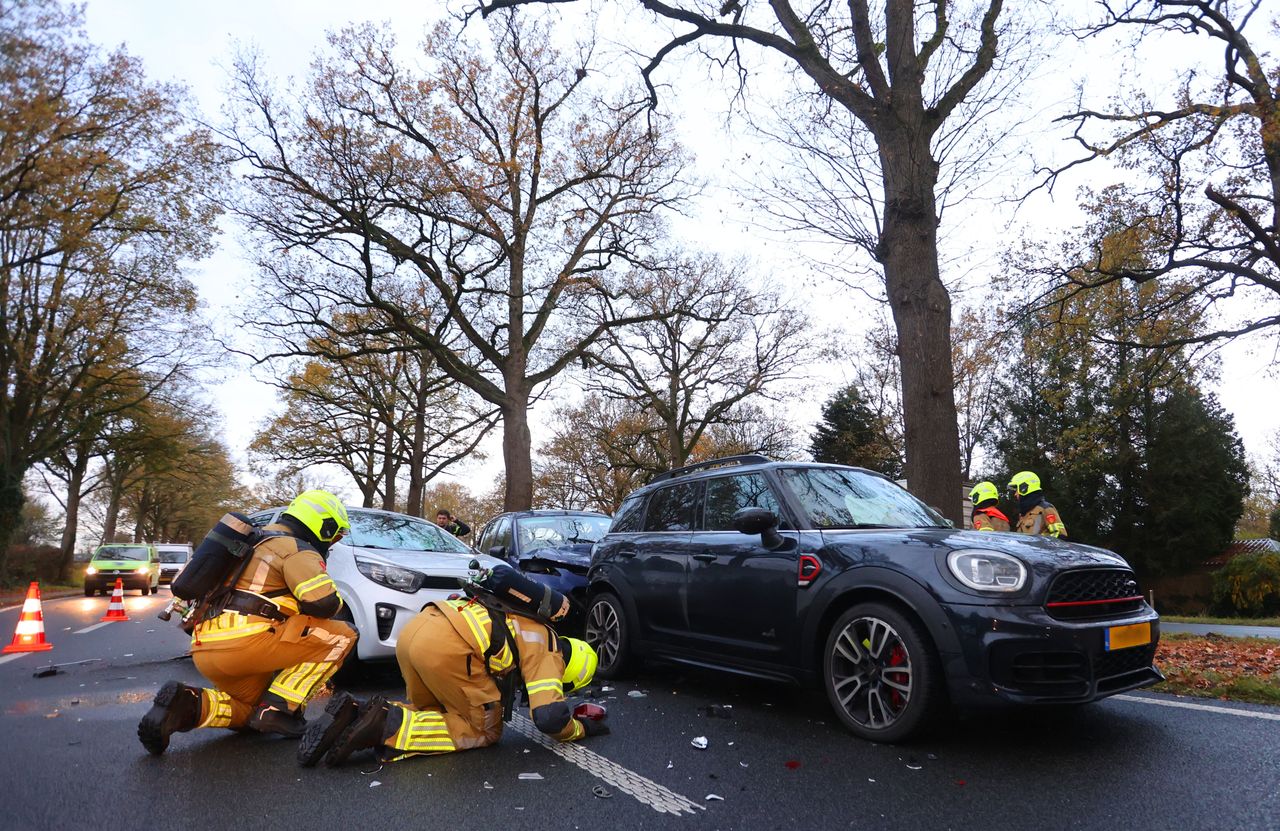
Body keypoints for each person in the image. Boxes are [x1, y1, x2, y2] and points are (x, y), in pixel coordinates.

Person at [137, 490, 357, 755]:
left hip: (205, 646)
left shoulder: (250, 543)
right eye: (335, 534)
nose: (334, 542)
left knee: (249, 709)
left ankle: (185, 705)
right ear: (323, 525)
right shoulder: (296, 549)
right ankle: (280, 710)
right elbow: (323, 603)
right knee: (344, 635)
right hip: (250, 643)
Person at [297, 582, 606, 767]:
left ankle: (356, 713)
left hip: (416, 631)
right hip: (448, 647)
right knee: (485, 730)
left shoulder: (526, 621)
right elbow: (550, 717)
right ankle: (384, 726)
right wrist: (579, 729)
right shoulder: (549, 648)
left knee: (435, 712)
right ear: (571, 670)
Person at [1007, 471, 1067, 538]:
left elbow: (1060, 535)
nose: (1015, 494)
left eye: (1017, 490)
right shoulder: (1024, 513)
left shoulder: (1046, 509)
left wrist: (1041, 545)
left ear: (1024, 488)